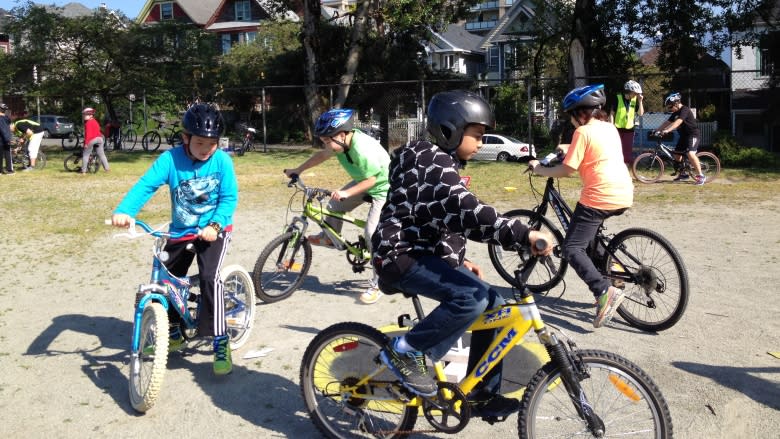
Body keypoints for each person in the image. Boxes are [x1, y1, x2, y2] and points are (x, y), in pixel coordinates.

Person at [371, 90, 553, 417]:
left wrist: (458, 260)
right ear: (450, 130)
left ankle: (482, 392)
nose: (482, 142)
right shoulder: (428, 161)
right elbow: (465, 210)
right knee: (470, 297)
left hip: (422, 252)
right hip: (399, 254)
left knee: (495, 304)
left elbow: (439, 217)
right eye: (478, 135)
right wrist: (523, 233)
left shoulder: (440, 162)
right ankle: (406, 351)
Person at [111, 103, 238, 376]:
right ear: (185, 139)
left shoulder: (222, 162)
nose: (206, 149)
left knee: (209, 279)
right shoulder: (170, 160)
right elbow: (146, 184)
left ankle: (220, 339)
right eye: (200, 142)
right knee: (165, 281)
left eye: (212, 143)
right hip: (180, 231)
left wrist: (215, 225)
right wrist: (125, 210)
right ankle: (174, 329)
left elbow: (229, 198)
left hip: (214, 231)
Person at [528, 84, 633, 328]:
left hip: (600, 196)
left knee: (572, 248)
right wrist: (566, 148)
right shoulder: (609, 128)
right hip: (623, 192)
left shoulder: (582, 133)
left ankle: (604, 291)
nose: (572, 121)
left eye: (571, 116)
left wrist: (539, 168)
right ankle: (614, 270)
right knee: (589, 235)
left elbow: (567, 169)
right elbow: (594, 152)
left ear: (580, 113)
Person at [283, 108, 390, 304]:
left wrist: (347, 193)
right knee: (333, 205)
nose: (326, 145)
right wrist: (298, 169)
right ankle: (330, 239)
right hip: (363, 181)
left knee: (371, 232)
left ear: (342, 134)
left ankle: (379, 283)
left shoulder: (362, 149)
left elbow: (372, 180)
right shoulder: (339, 143)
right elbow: (322, 156)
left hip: (383, 188)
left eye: (327, 140)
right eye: (323, 141)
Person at [655, 92, 705, 185]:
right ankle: (683, 174)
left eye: (670, 107)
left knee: (690, 154)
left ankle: (701, 176)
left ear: (676, 103)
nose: (670, 109)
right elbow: (667, 122)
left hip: (693, 135)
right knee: (677, 155)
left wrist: (667, 130)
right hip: (684, 136)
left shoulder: (684, 110)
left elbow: (678, 122)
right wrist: (656, 130)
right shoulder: (675, 112)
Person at [609, 80, 644, 164]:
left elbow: (640, 113)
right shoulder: (618, 97)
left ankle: (625, 169)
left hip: (629, 130)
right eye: (635, 93)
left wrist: (640, 101)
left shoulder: (635, 100)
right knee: (616, 150)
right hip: (617, 129)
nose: (636, 95)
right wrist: (611, 127)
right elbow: (611, 114)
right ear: (629, 91)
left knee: (627, 153)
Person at [81, 107, 110, 174]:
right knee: (101, 154)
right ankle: (107, 169)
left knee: (85, 154)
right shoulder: (95, 121)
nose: (84, 116)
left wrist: (86, 143)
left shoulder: (88, 123)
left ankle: (83, 171)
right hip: (100, 139)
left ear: (91, 115)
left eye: (86, 115)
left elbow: (88, 135)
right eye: (84, 115)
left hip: (92, 139)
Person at [0, 103, 14, 175]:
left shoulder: (5, 118)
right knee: (7, 154)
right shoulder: (7, 118)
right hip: (5, 138)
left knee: (4, 154)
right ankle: (9, 170)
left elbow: (4, 129)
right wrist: (8, 138)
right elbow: (9, 128)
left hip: (4, 139)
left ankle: (2, 170)